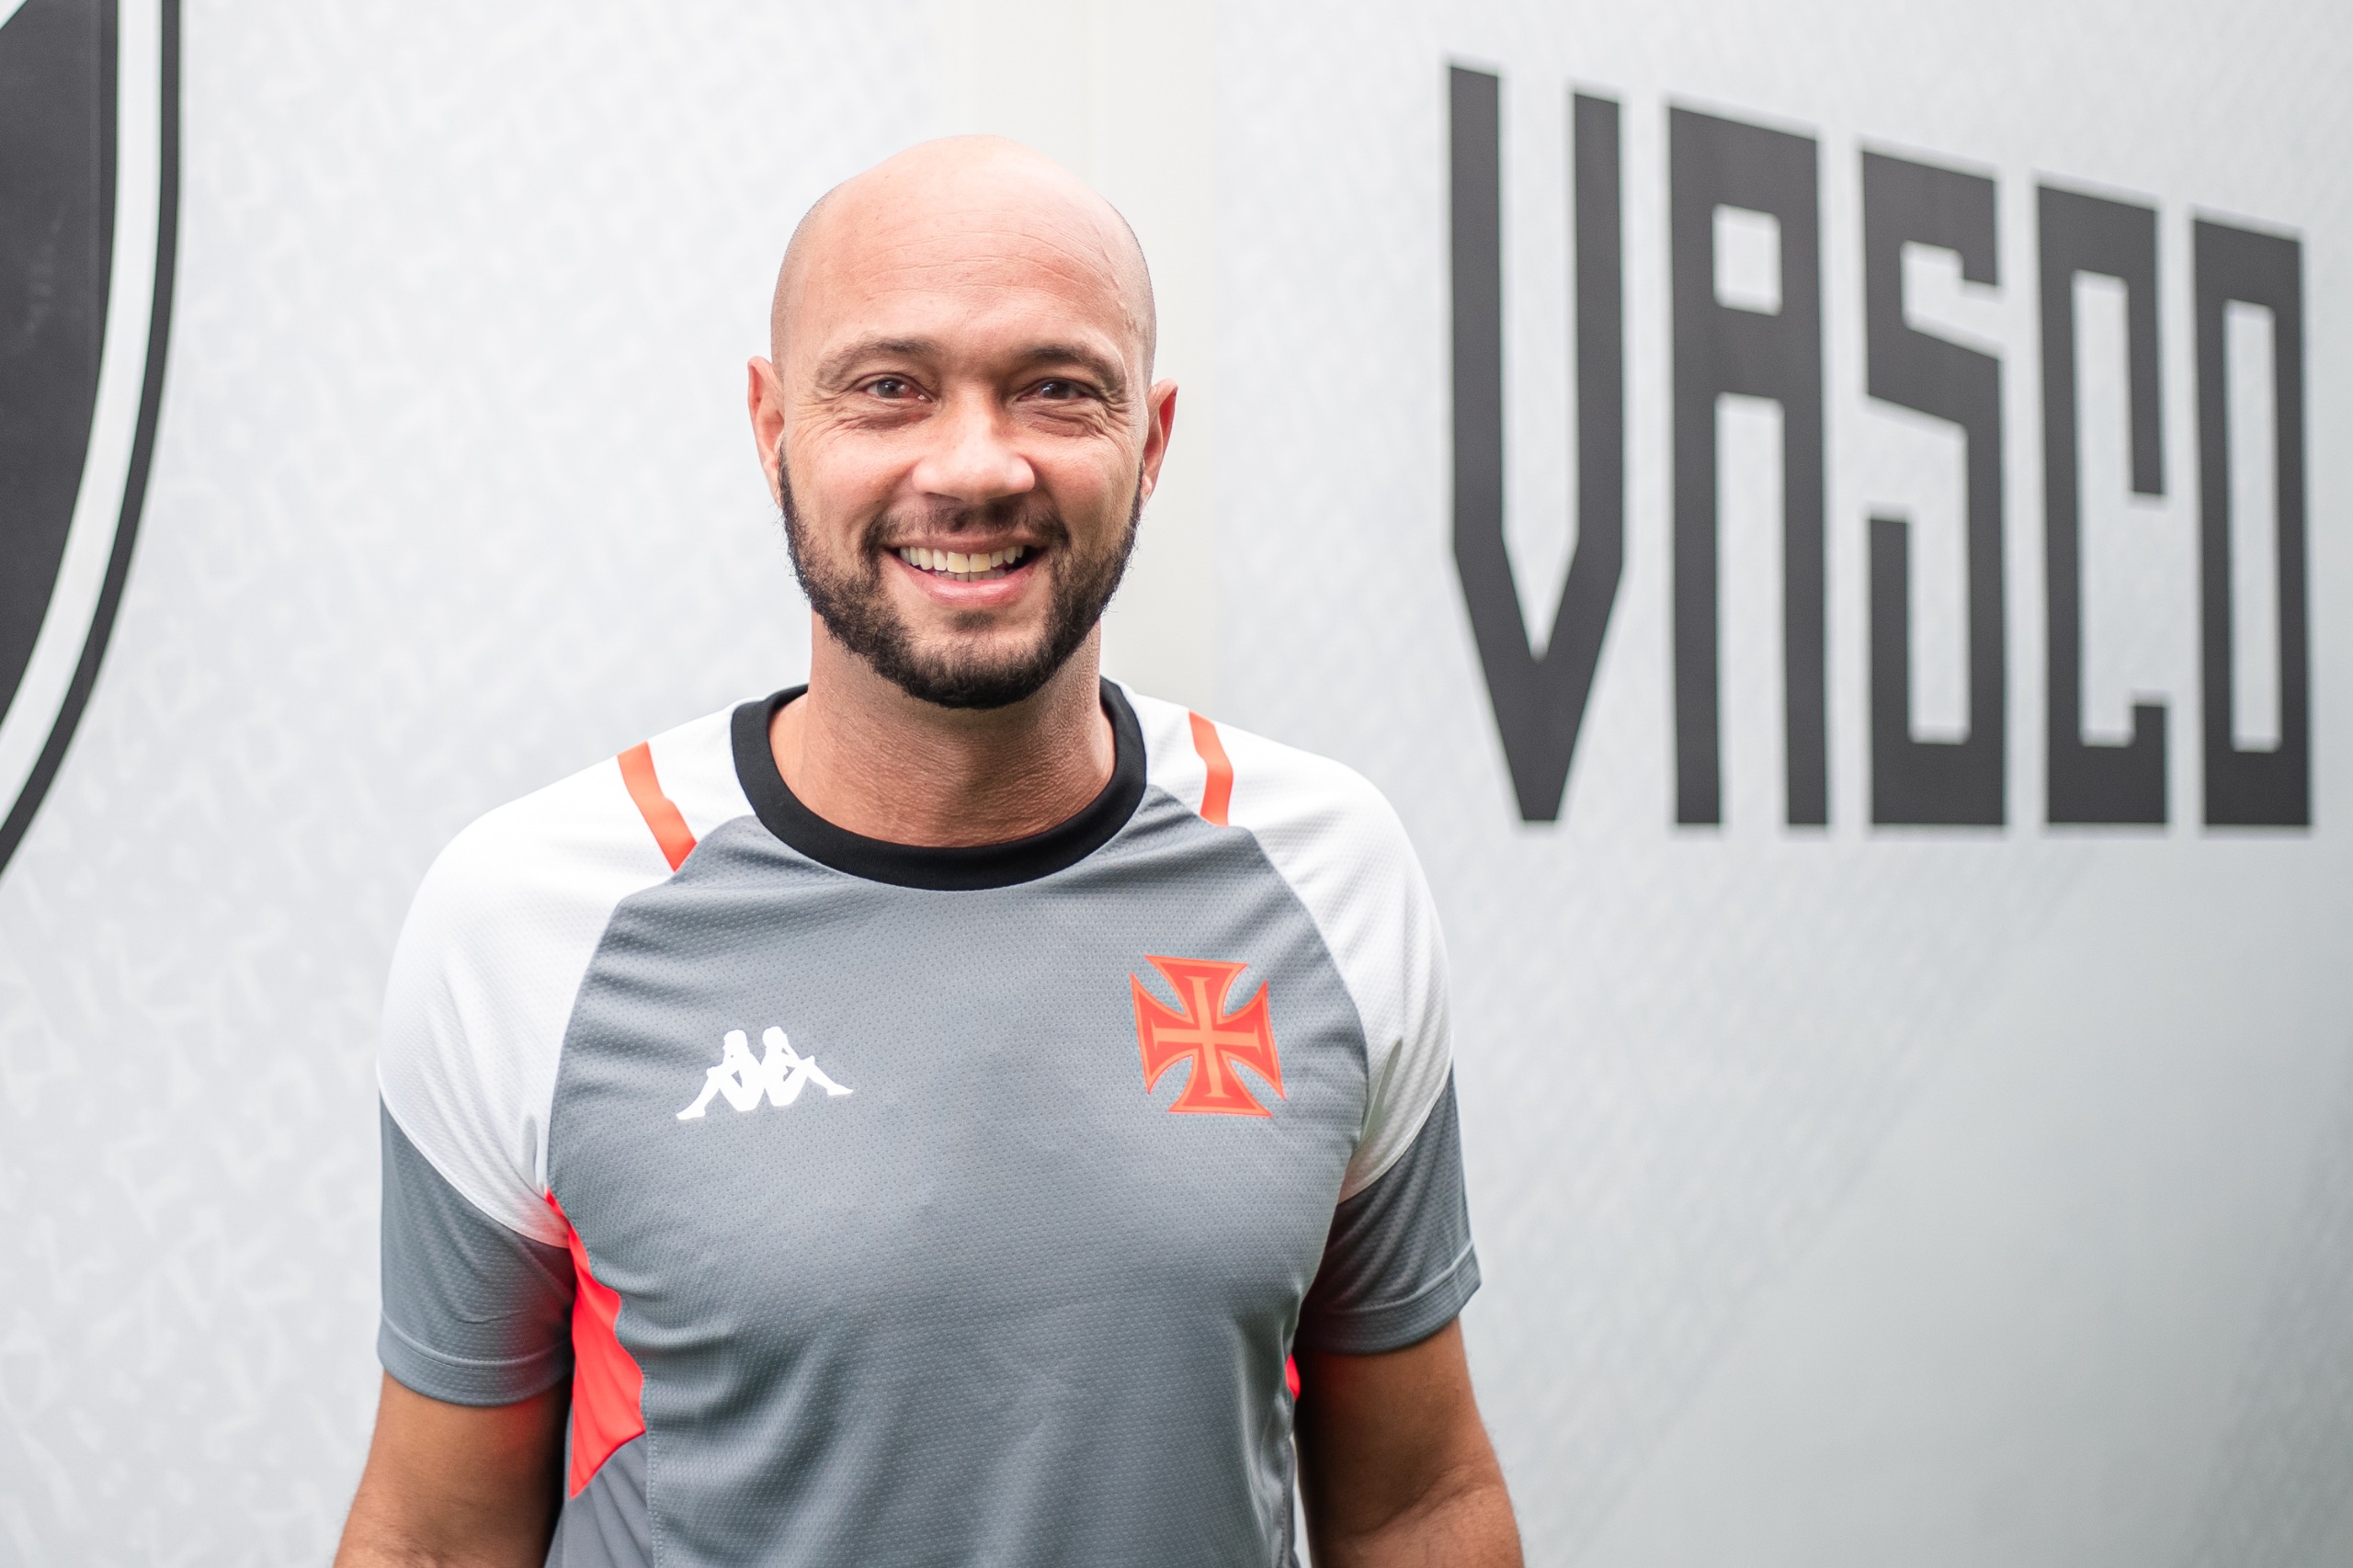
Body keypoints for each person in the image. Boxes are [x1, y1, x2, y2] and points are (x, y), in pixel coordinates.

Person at [335, 135, 1521, 1568]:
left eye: (1057, 389)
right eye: (889, 387)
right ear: (773, 426)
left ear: (1151, 439)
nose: (974, 464)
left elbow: (1414, 1499)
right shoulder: (530, 917)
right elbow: (438, 1537)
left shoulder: (1331, 876)